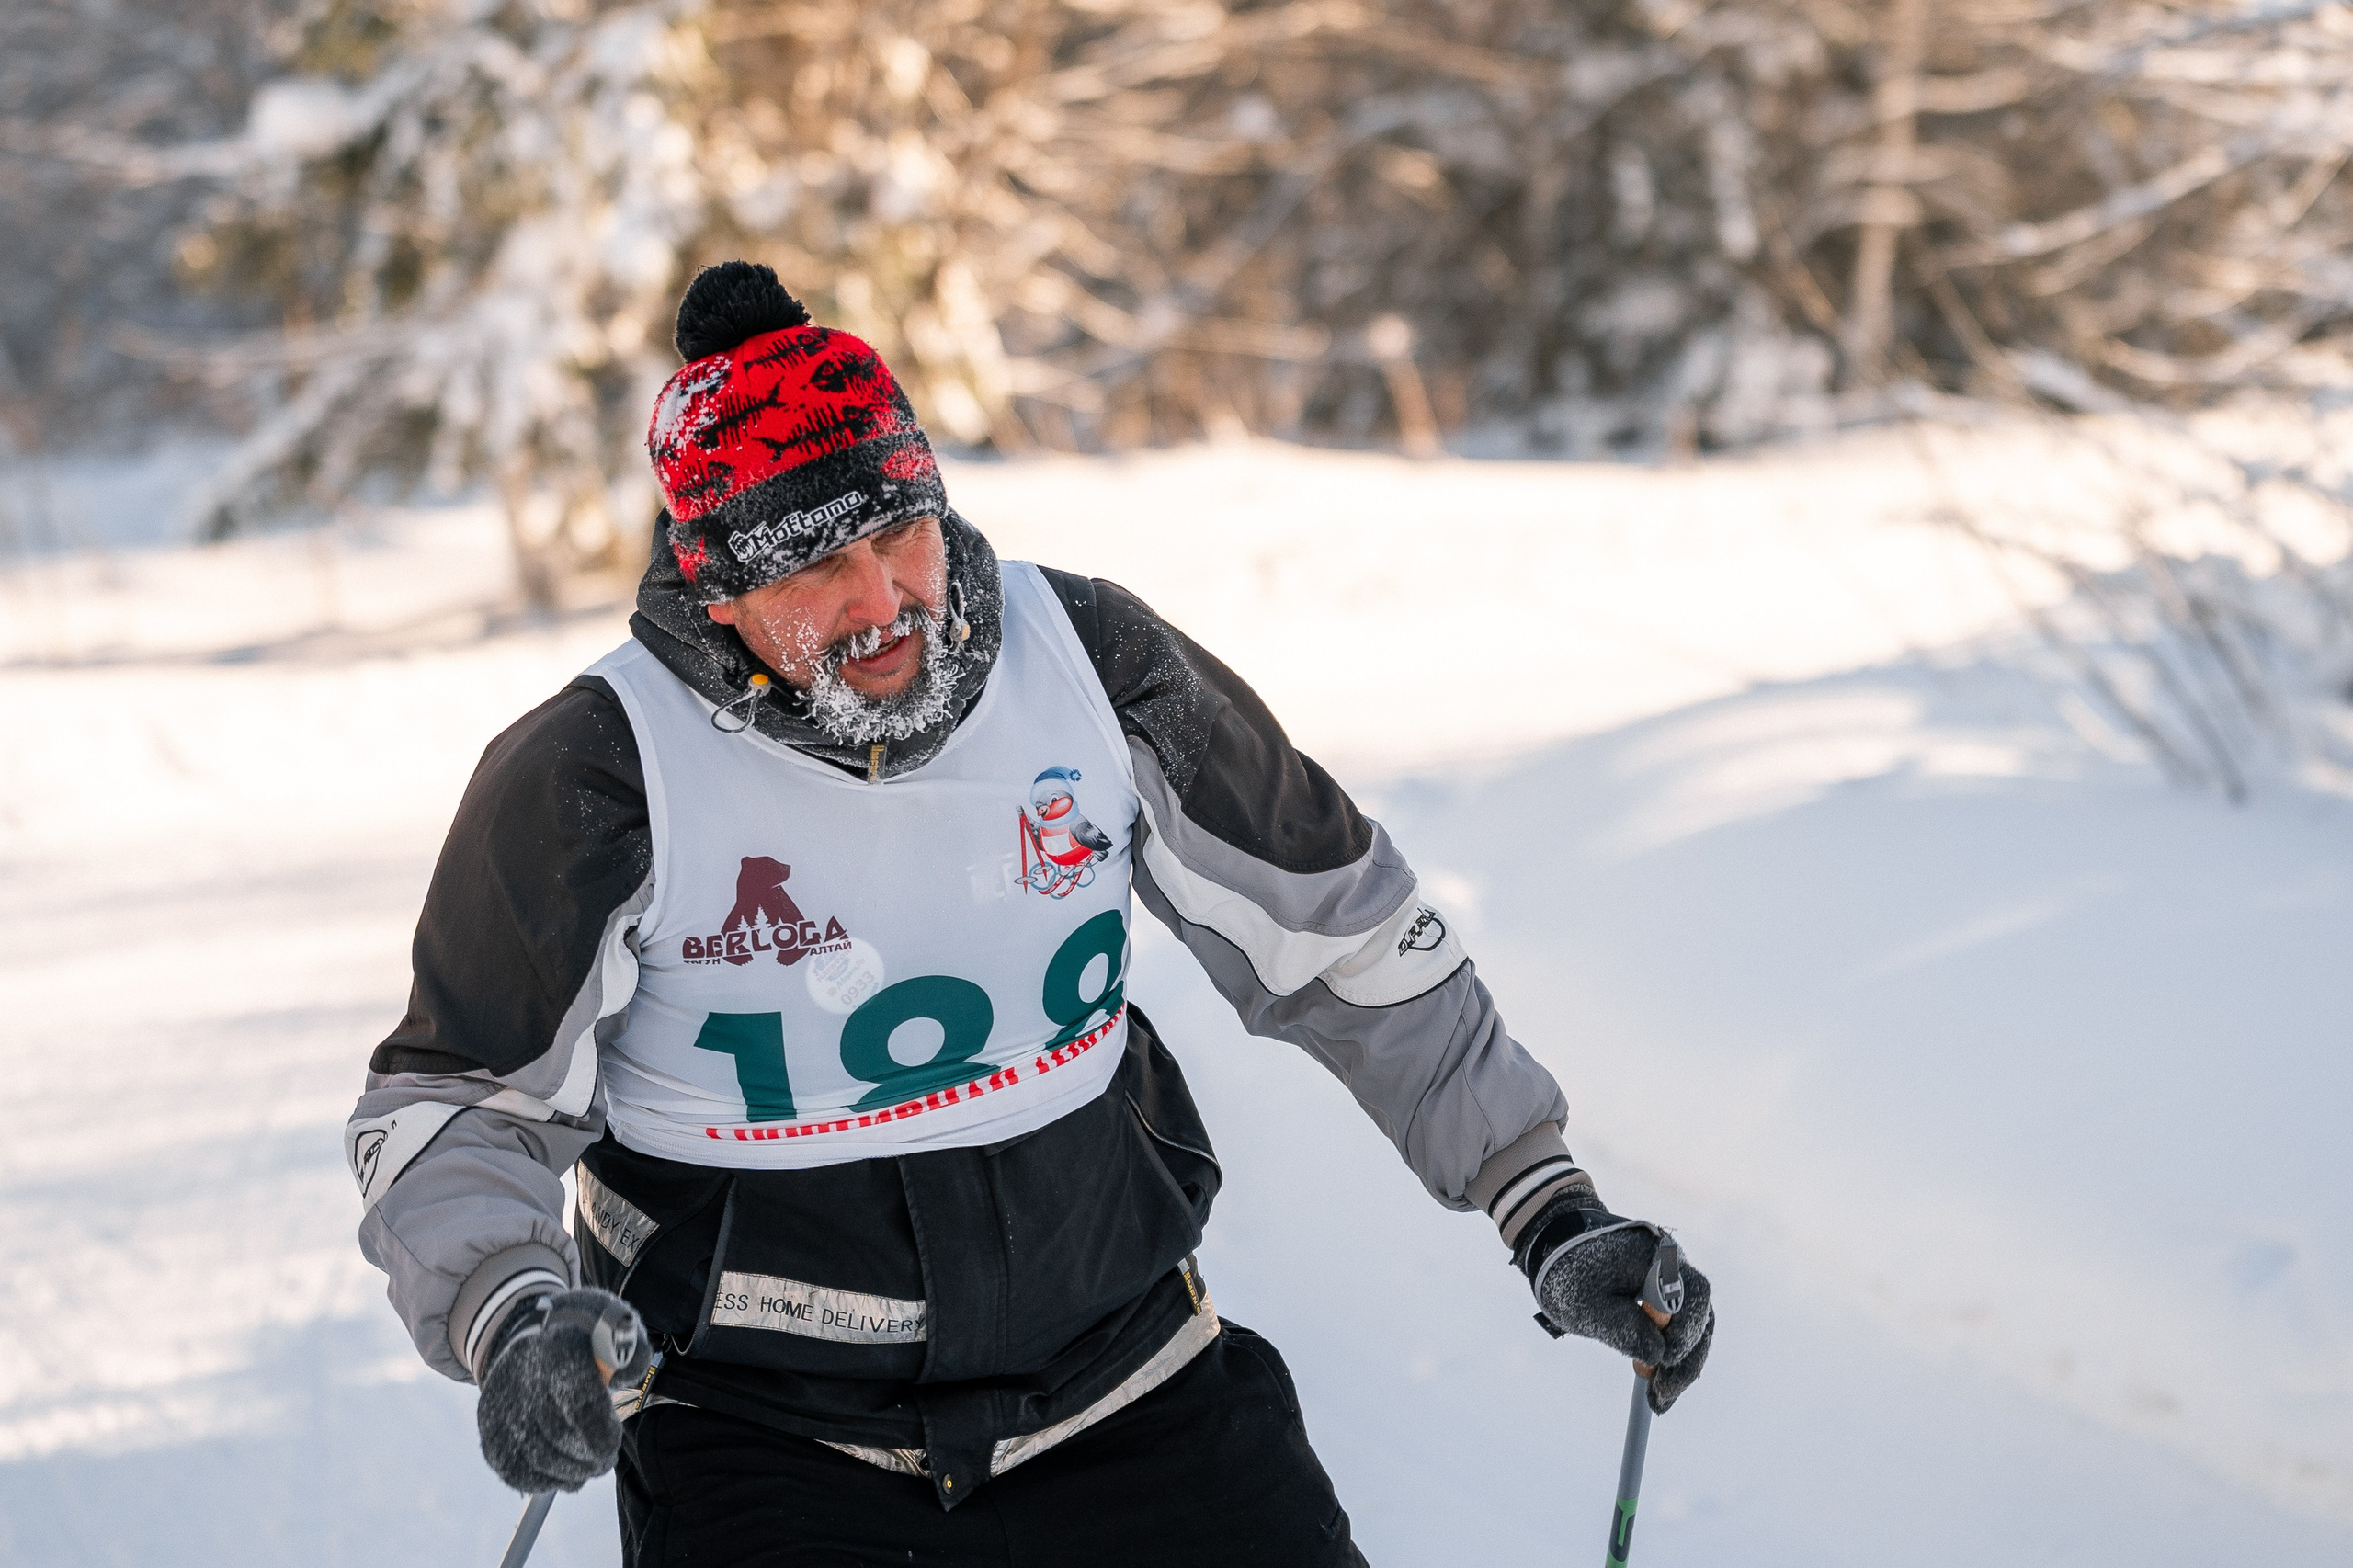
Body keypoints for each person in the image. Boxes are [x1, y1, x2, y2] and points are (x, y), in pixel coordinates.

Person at [344, 262, 1713, 1566]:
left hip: (1132, 1385)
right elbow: (455, 1107)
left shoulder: (1093, 665)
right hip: (769, 1447)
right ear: (715, 582)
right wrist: (516, 1316)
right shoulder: (598, 769)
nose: (880, 600)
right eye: (814, 564)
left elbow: (1345, 934)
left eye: (899, 529)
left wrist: (1547, 1204)